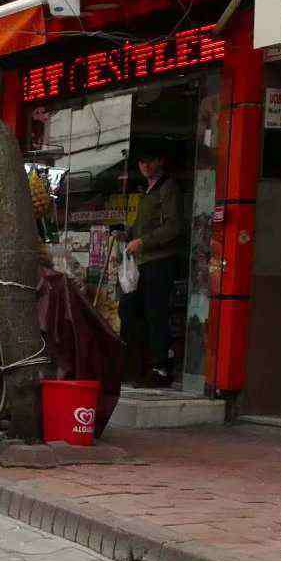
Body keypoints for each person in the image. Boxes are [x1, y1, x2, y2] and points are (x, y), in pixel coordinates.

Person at [128, 151, 185, 386]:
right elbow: (142, 225)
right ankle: (142, 365)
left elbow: (173, 227)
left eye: (149, 160)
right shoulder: (147, 191)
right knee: (133, 311)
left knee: (156, 313)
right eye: (142, 161)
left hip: (160, 260)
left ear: (160, 160)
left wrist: (144, 241)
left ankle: (161, 367)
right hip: (144, 262)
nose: (145, 165)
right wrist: (128, 234)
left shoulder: (168, 188)